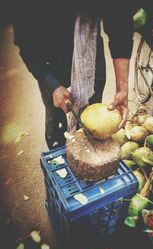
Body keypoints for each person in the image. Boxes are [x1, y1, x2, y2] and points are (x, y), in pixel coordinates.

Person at [11, 0, 134, 149]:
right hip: (50, 65)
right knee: (58, 128)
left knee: (92, 124)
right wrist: (51, 84)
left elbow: (120, 24)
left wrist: (122, 89)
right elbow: (26, 43)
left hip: (89, 57)